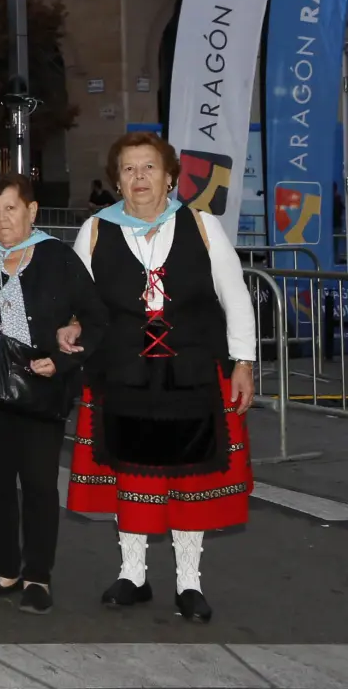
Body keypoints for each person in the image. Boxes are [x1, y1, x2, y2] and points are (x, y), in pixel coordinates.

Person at [69, 133, 256, 624]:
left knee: (188, 477)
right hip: (123, 374)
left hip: (192, 371)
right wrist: (67, 329)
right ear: (116, 181)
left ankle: (189, 583)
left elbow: (234, 294)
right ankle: (133, 574)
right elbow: (78, 304)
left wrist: (243, 361)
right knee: (131, 476)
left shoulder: (202, 224)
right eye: (128, 170)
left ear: (170, 176)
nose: (139, 179)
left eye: (149, 168)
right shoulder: (93, 230)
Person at [0, 173, 108, 614]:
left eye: (10, 209)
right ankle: (5, 571)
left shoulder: (57, 258)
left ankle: (38, 577)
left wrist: (63, 359)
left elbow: (95, 318)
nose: (1, 220)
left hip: (41, 391)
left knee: (41, 485)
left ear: (32, 210)